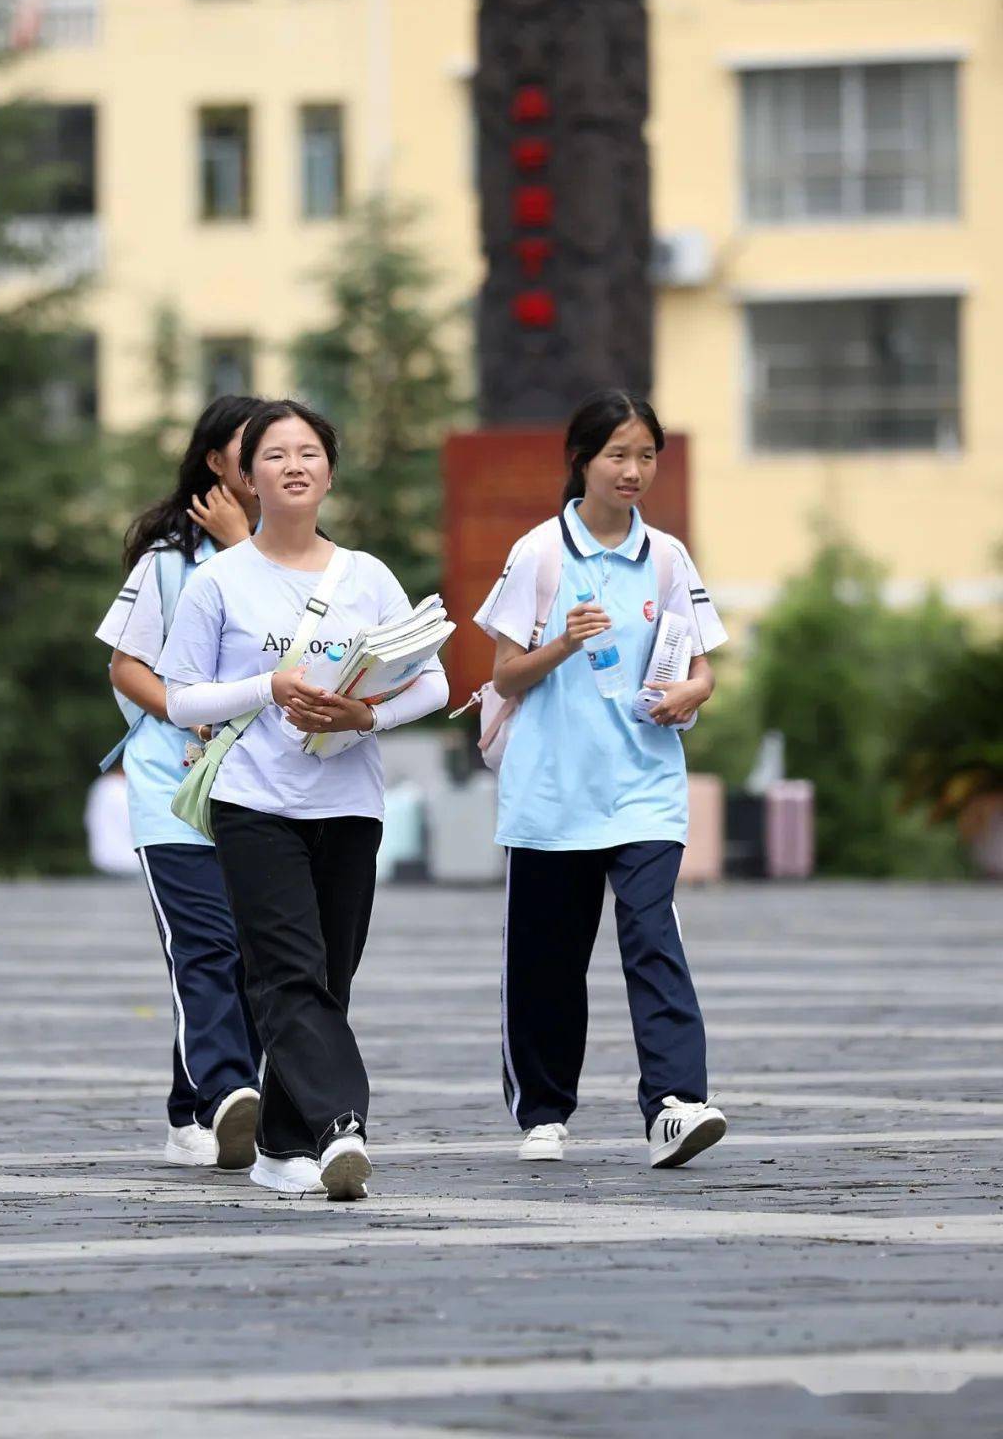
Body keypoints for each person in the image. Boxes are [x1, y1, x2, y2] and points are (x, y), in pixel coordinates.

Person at [157, 398, 449, 1201]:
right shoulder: (218, 580)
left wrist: (367, 716)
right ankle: (338, 1126)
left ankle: (282, 1146)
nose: (294, 465)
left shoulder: (368, 576)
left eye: (309, 453)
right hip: (255, 802)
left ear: (329, 472)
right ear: (247, 477)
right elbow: (181, 698)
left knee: (329, 977)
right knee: (287, 973)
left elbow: (434, 682)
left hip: (349, 803)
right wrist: (270, 686)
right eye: (275, 454)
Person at [474, 389, 729, 1170]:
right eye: (618, 454)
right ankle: (544, 1112)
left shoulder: (668, 557)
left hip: (644, 786)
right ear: (581, 460)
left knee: (654, 937)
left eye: (646, 456)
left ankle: (675, 1105)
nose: (633, 470)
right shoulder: (539, 554)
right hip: (552, 791)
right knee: (548, 960)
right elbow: (504, 675)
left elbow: (701, 666)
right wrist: (561, 642)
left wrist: (692, 693)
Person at [96, 396, 263, 1171]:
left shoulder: (307, 563)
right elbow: (126, 667)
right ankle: (228, 1094)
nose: (271, 465)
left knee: (251, 954)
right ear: (215, 463)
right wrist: (187, 712)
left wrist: (243, 549)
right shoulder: (169, 564)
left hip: (266, 789)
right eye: (252, 449)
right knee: (205, 945)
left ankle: (191, 1112)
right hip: (175, 790)